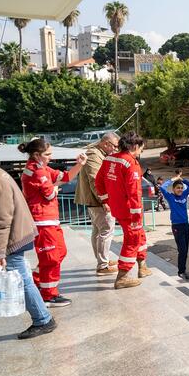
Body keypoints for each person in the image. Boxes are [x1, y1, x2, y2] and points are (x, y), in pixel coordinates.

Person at [0, 158, 57, 339]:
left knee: (22, 279)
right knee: (22, 278)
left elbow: (1, 220)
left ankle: (43, 320)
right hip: (11, 237)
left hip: (11, 240)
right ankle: (43, 319)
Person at [19, 139, 87, 307]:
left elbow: (64, 177)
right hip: (42, 221)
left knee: (59, 253)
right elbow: (49, 194)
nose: (51, 157)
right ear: (36, 155)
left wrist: (79, 165)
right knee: (51, 258)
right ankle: (48, 295)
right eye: (47, 154)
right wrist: (55, 188)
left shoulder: (41, 168)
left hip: (49, 220)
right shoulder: (37, 171)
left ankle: (37, 281)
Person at [95, 131, 150, 289]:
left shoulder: (109, 159)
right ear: (134, 146)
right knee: (132, 239)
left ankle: (142, 266)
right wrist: (136, 215)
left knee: (140, 235)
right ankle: (123, 276)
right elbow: (134, 193)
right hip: (129, 210)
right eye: (141, 149)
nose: (140, 152)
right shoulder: (130, 163)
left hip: (117, 207)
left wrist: (106, 200)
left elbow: (98, 182)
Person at [75, 132, 120, 276]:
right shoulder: (94, 155)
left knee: (98, 231)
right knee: (106, 231)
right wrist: (104, 200)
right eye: (114, 147)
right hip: (97, 200)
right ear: (106, 143)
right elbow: (95, 180)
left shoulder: (97, 152)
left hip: (95, 200)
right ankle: (102, 265)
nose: (115, 150)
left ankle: (103, 261)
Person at [161, 176, 189, 280]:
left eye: (181, 187)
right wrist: (172, 180)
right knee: (182, 250)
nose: (180, 189)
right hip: (177, 226)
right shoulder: (170, 197)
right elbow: (162, 187)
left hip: (185, 225)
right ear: (173, 189)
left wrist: (182, 179)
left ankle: (183, 270)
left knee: (185, 250)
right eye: (177, 188)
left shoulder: (184, 195)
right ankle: (181, 271)